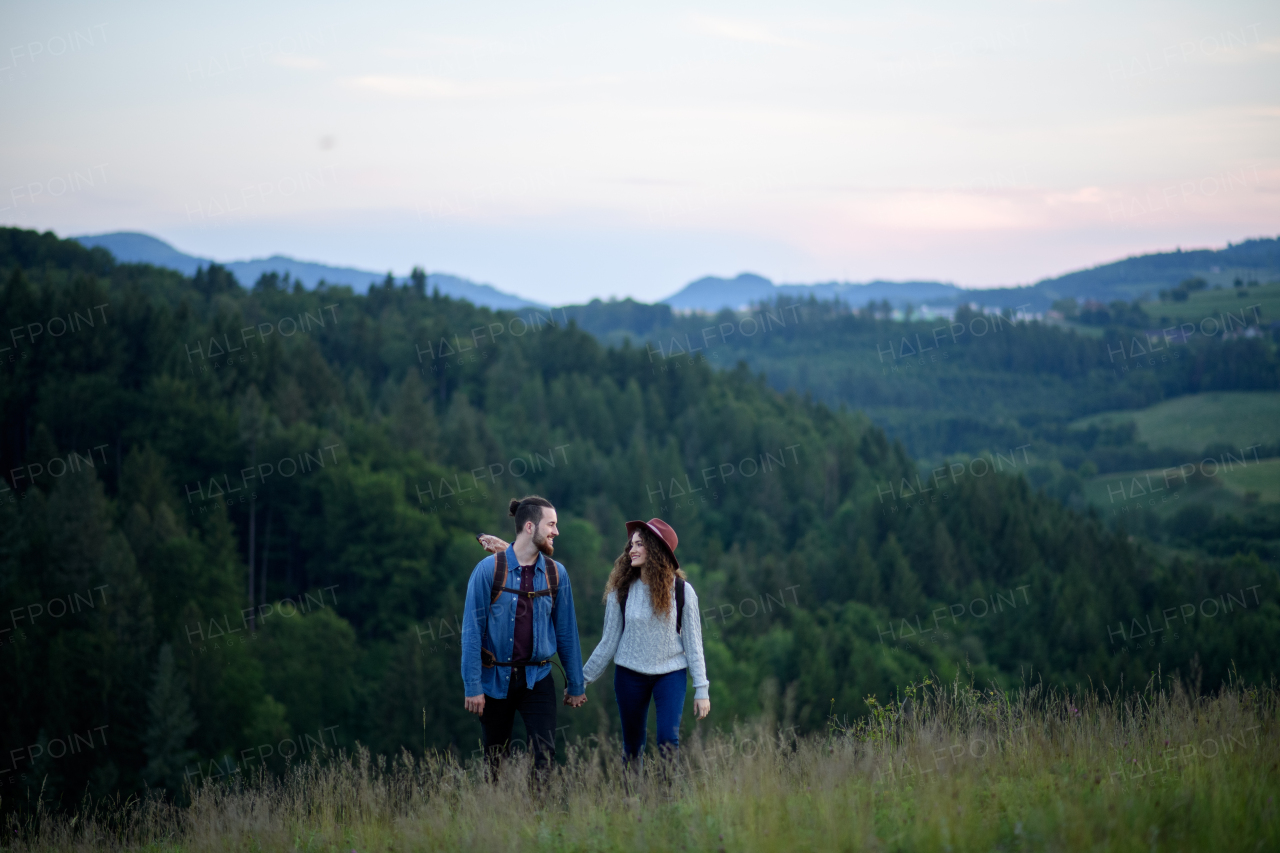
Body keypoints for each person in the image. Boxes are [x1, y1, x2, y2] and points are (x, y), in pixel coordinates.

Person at [462, 496, 587, 784]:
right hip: (494, 678)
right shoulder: (487, 571)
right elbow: (471, 632)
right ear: (530, 526)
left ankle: (538, 818)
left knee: (545, 755)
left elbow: (567, 633)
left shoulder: (557, 574)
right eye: (551, 524)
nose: (556, 531)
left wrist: (575, 683)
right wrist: (472, 685)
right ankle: (499, 819)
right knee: (494, 760)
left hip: (538, 676)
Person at [584, 518, 709, 768]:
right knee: (632, 745)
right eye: (631, 544)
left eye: (640, 544)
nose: (632, 549)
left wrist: (702, 689)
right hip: (629, 674)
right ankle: (632, 803)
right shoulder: (620, 591)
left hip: (670, 673)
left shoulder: (683, 591)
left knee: (667, 740)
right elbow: (608, 642)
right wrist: (581, 680)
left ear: (656, 549)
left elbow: (694, 644)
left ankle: (667, 802)